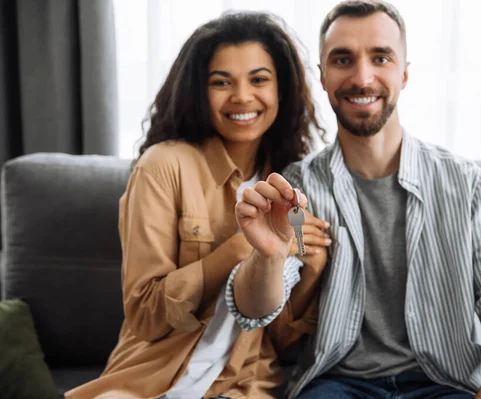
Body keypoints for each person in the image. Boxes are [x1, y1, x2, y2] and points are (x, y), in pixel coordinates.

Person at [226, 1, 481, 398]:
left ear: (405, 73)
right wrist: (268, 256)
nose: (362, 78)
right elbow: (255, 311)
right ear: (323, 76)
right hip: (337, 385)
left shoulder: (466, 185)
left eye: (380, 57)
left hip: (446, 383)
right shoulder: (298, 185)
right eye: (343, 59)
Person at [65, 11, 331, 399]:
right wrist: (241, 247)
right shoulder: (163, 167)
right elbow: (145, 314)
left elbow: (283, 338)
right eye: (221, 82)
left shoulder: (294, 184)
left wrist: (311, 267)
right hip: (146, 378)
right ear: (197, 91)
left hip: (244, 384)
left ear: (282, 90)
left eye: (259, 79)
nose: (242, 96)